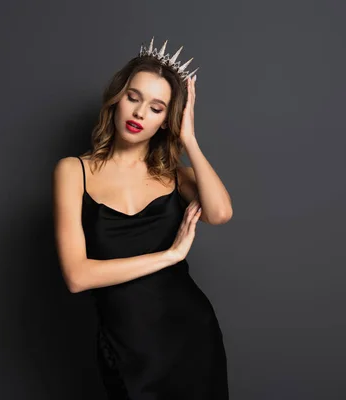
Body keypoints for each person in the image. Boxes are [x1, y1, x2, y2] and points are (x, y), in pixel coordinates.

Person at [53, 37, 233, 399]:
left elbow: (220, 212)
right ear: (117, 98)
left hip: (190, 337)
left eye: (156, 107)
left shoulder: (174, 175)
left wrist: (190, 141)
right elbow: (77, 276)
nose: (139, 113)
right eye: (133, 97)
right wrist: (169, 256)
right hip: (127, 346)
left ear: (168, 119)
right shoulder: (74, 171)